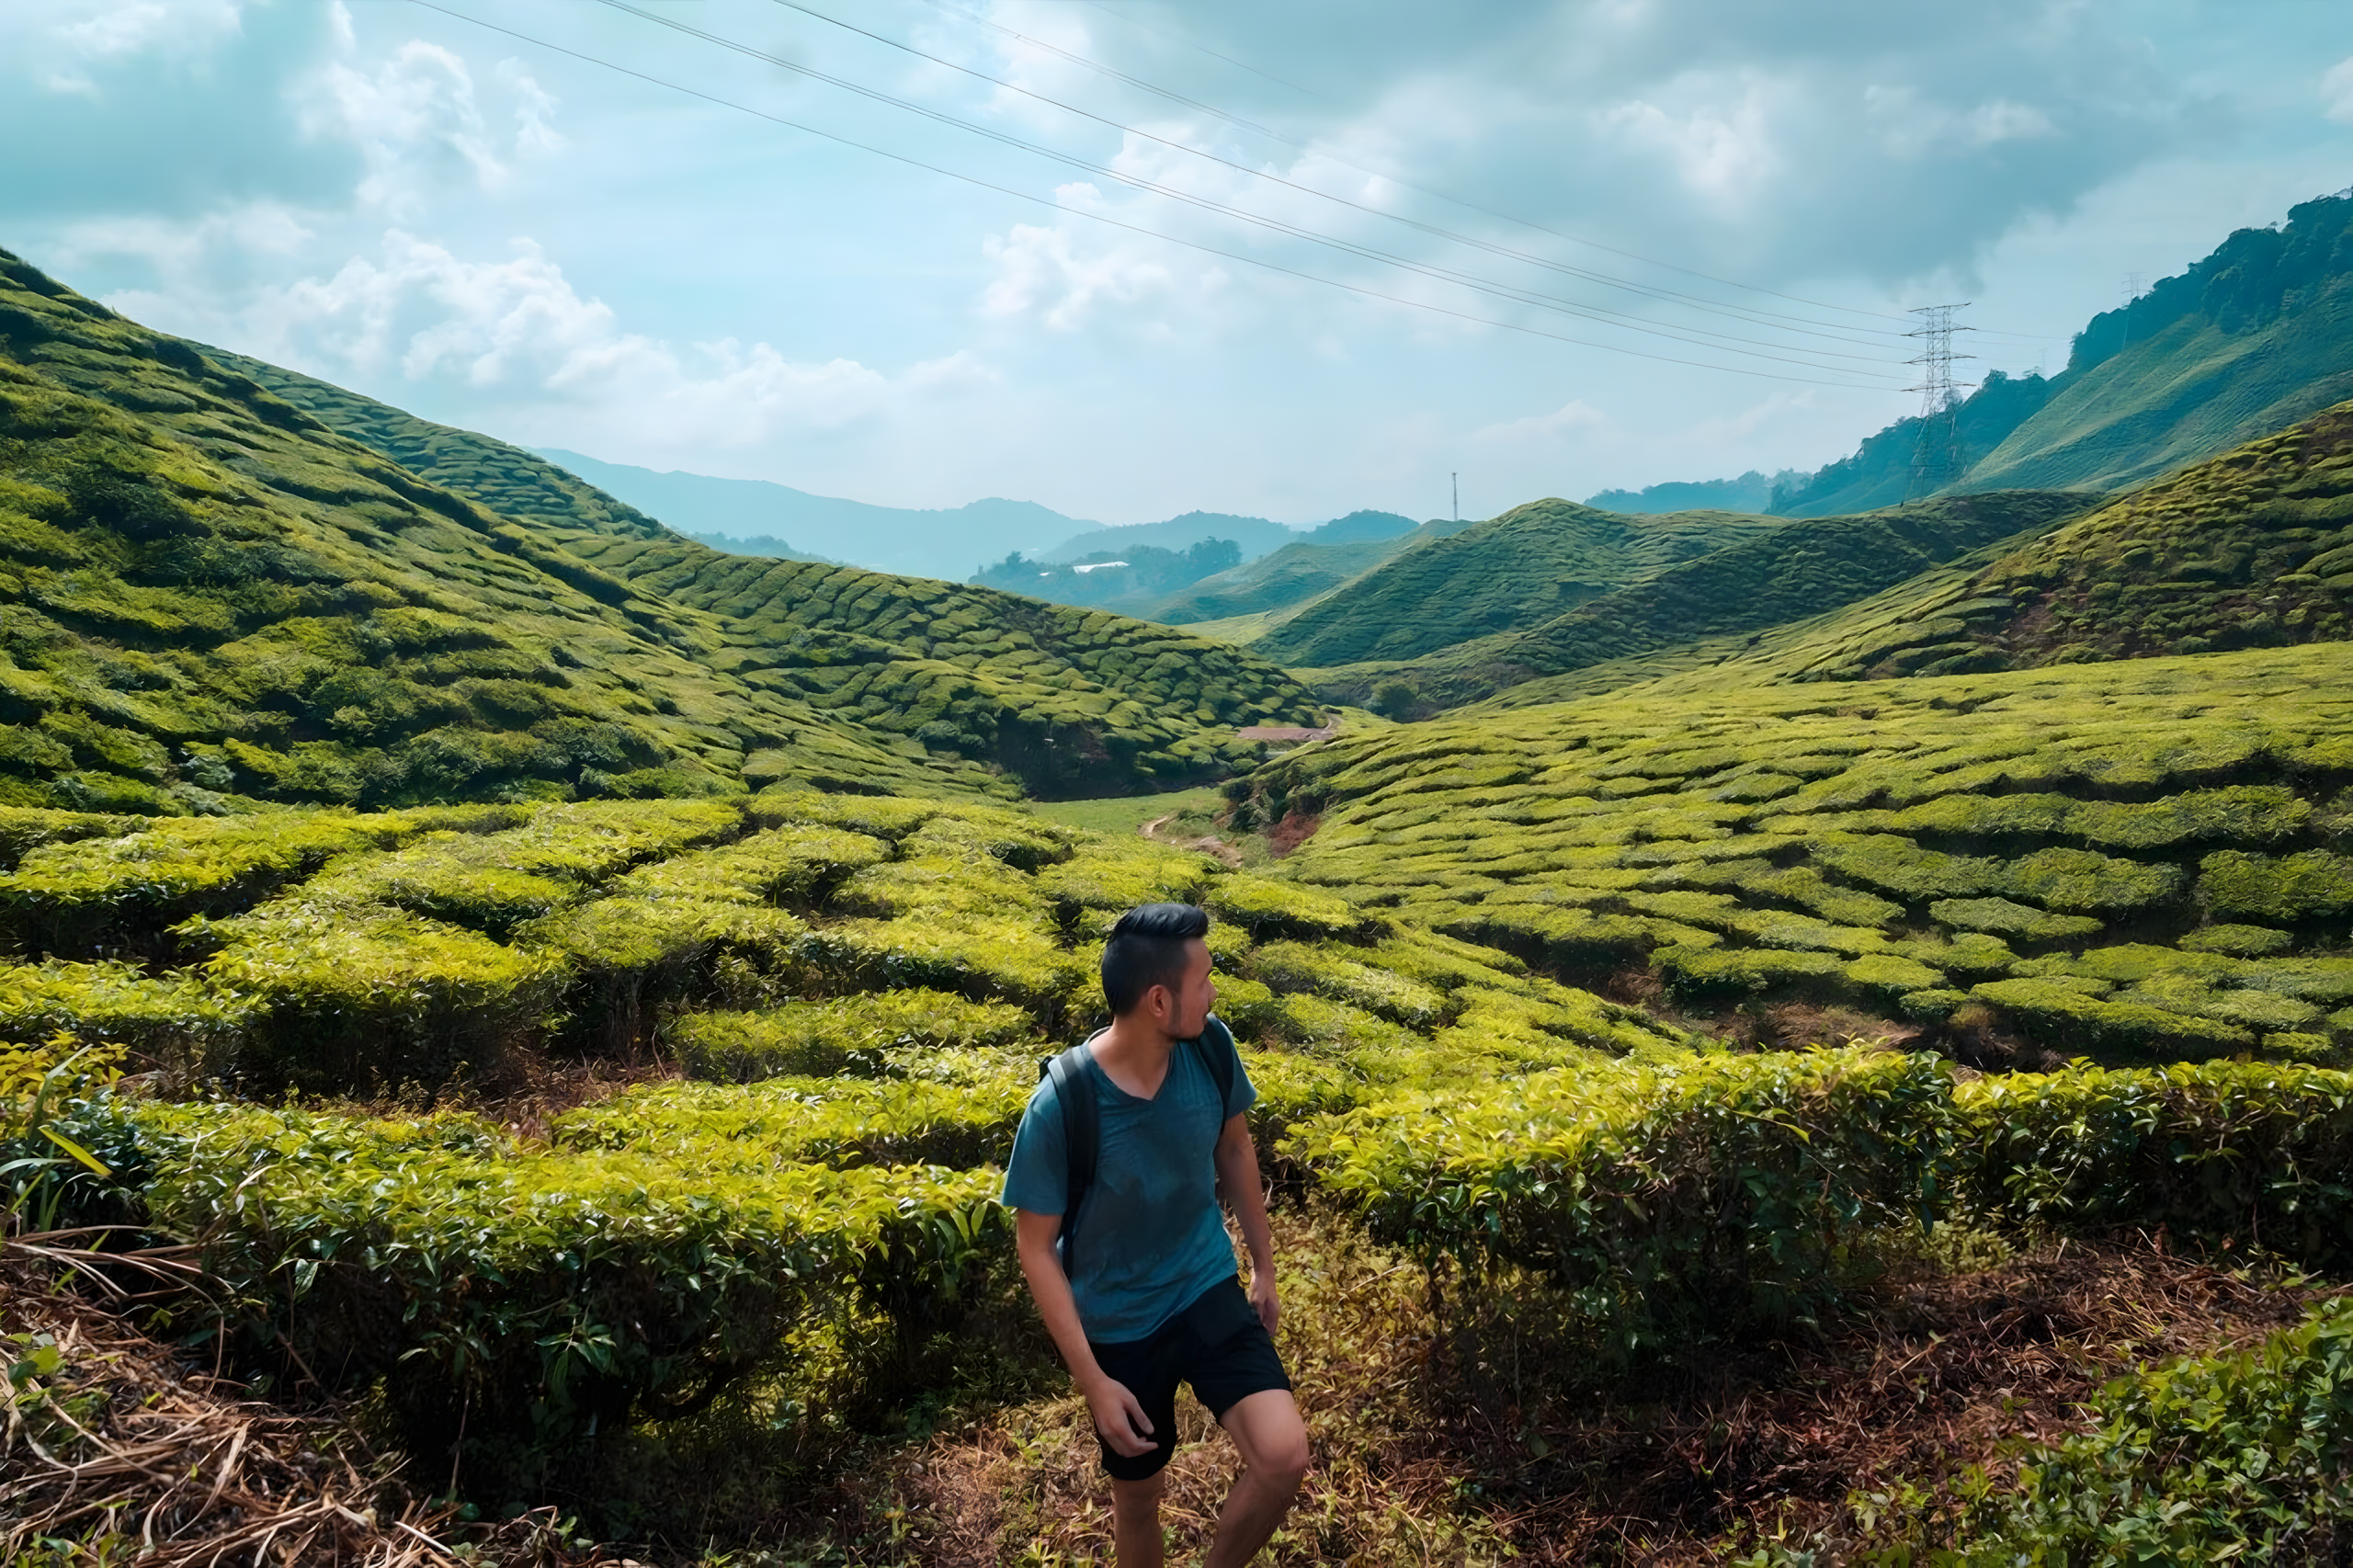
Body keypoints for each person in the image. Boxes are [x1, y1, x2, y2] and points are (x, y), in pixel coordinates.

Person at [1001, 903, 1309, 1567]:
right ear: (1160, 1000)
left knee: (1284, 1456)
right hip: (1118, 1323)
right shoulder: (1063, 1103)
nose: (1215, 992)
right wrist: (1092, 1380)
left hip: (1202, 1286)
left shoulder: (1211, 1047)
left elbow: (1234, 1148)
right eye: (1204, 980)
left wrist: (1264, 1265)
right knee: (1139, 1502)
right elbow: (1035, 1248)